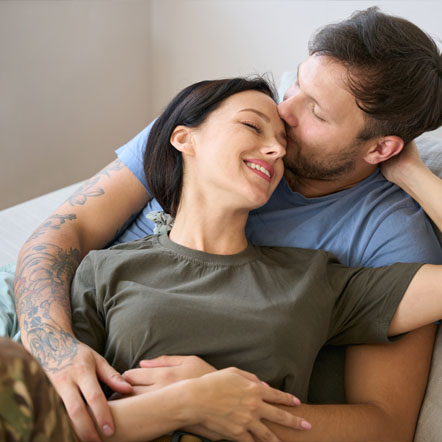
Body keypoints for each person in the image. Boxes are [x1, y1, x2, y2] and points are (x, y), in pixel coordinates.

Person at [12, 6, 442, 441]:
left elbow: (385, 425)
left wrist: (414, 174)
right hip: (48, 329)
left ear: (381, 148)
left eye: (317, 111)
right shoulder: (213, 123)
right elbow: (66, 232)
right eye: (297, 81)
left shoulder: (374, 246)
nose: (285, 112)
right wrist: (52, 343)